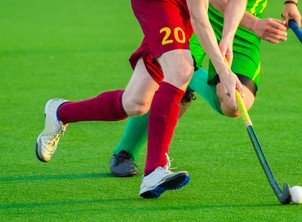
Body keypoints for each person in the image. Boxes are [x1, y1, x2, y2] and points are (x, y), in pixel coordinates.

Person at [35, 0, 247, 199]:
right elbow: (199, 17)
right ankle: (154, 170)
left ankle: (60, 112)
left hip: (179, 6)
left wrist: (227, 36)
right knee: (181, 68)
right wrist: (224, 72)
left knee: (135, 103)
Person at [109, 0, 302, 177]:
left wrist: (290, 3)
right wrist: (254, 23)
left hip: (242, 31)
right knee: (166, 77)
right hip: (200, 20)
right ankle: (125, 151)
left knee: (235, 104)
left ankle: (189, 75)